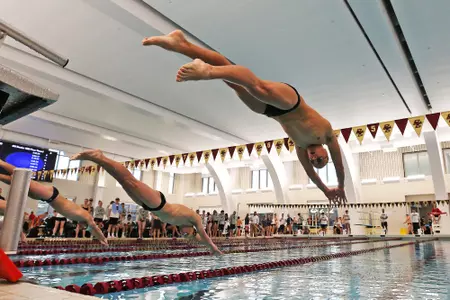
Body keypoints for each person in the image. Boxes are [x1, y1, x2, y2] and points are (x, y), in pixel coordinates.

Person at [143, 30, 347, 206]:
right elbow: (339, 164)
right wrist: (340, 185)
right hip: (291, 103)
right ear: (326, 152)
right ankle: (207, 71)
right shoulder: (327, 135)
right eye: (320, 158)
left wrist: (325, 190)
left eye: (314, 161)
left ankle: (181, 44)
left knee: (232, 79)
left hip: (271, 112)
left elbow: (310, 174)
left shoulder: (301, 149)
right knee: (257, 87)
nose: (314, 158)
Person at [72, 150, 222, 255]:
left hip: (148, 206)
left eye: (185, 237)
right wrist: (214, 248)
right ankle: (99, 156)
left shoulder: (182, 225)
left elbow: (198, 239)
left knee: (123, 182)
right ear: (192, 230)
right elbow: (204, 237)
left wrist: (206, 246)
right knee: (131, 181)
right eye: (187, 235)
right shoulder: (194, 219)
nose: (183, 235)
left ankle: (99, 160)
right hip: (159, 203)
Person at [0, 159, 107, 245]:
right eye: (86, 227)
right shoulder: (87, 217)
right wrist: (103, 239)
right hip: (51, 194)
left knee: (16, 181)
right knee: (23, 177)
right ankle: (1, 162)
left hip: (48, 197)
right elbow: (95, 229)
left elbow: (91, 229)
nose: (85, 228)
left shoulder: (80, 219)